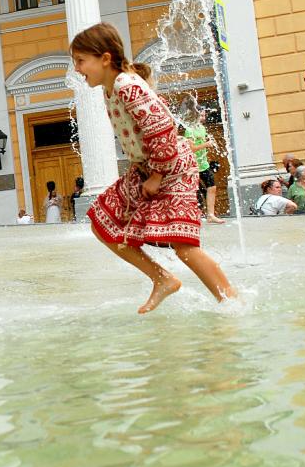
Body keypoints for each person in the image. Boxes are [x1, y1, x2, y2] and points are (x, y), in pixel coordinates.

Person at [70, 22, 236, 313]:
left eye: (81, 61)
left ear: (105, 58)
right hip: (146, 169)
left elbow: (162, 128)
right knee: (103, 221)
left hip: (171, 168)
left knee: (182, 244)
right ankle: (163, 279)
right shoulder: (111, 88)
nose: (78, 69)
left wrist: (157, 175)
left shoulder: (126, 85)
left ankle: (231, 301)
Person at [180, 96, 225, 224]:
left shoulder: (202, 128)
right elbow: (191, 148)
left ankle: (211, 214)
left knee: (212, 187)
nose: (204, 118)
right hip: (193, 166)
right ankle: (196, 217)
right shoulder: (189, 130)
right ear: (195, 115)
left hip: (203, 164)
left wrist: (207, 142)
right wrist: (206, 144)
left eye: (204, 115)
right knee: (196, 192)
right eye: (202, 115)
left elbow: (203, 141)